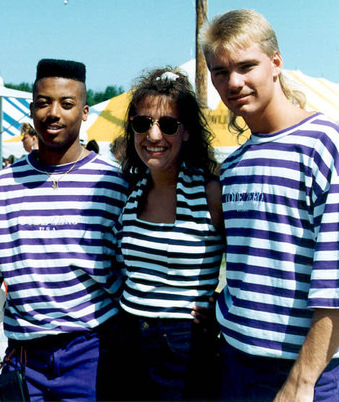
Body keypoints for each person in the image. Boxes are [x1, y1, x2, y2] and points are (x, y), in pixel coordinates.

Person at [201, 9, 339, 400]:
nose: (234, 82)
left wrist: (302, 381)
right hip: (233, 361)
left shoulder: (326, 144)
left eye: (247, 66)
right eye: (220, 72)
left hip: (303, 371)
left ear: (276, 63)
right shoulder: (233, 164)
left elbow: (337, 280)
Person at [0, 58, 128, 401]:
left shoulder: (111, 185)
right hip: (24, 358)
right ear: (31, 109)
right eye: (44, 103)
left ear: (85, 111)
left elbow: (127, 269)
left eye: (67, 103)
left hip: (90, 353)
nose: (53, 113)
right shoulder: (4, 185)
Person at [117, 67, 224, 401]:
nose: (153, 135)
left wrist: (222, 307)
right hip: (128, 335)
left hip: (184, 346)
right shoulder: (129, 191)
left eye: (168, 125)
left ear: (187, 132)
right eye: (142, 123)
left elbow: (252, 261)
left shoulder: (210, 193)